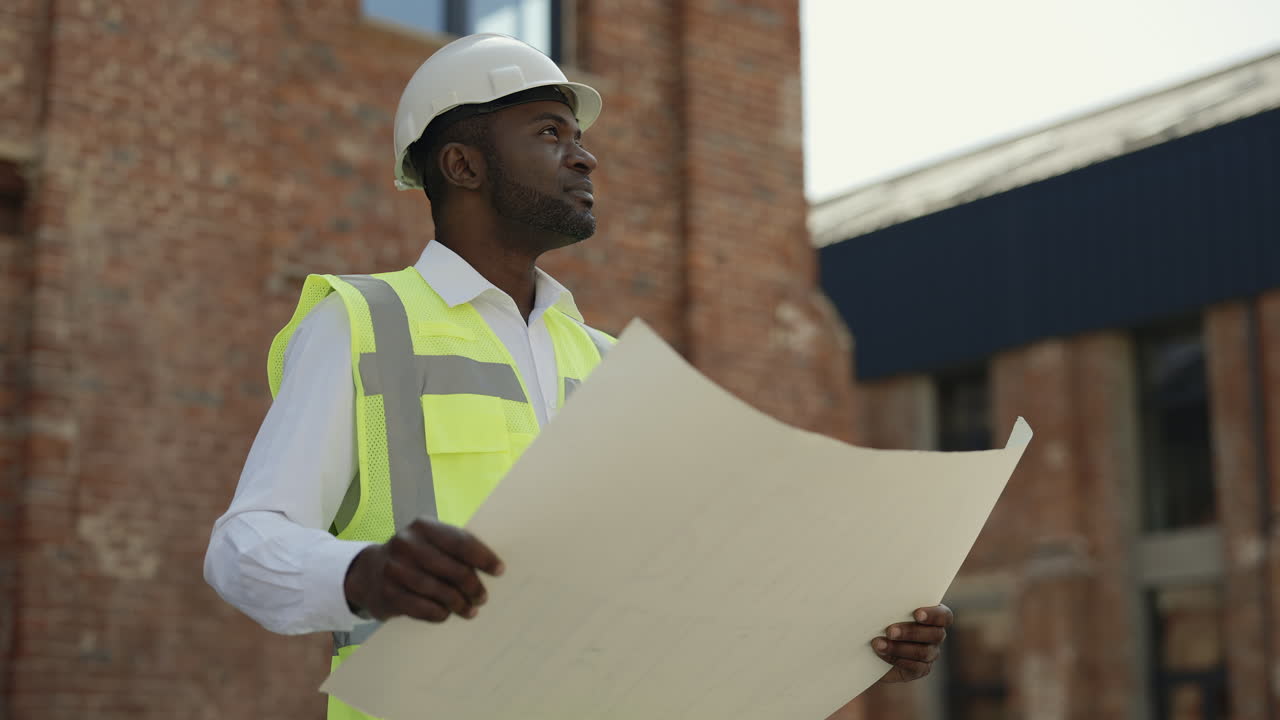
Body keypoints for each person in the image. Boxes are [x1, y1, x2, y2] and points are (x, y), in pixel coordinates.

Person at [204, 33, 952, 720]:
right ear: (462, 166)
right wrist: (359, 575)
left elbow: (679, 589)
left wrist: (852, 644)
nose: (585, 157)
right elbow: (244, 545)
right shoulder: (362, 322)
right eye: (549, 134)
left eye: (579, 138)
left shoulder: (604, 362)